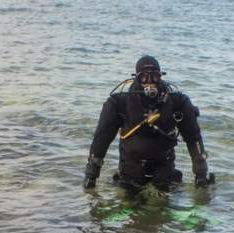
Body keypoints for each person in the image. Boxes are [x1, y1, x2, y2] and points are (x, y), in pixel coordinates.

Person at [83, 54, 214, 191]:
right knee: (131, 204)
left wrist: (201, 175)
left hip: (164, 171)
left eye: (154, 76)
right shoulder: (119, 103)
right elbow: (101, 139)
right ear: (137, 78)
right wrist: (91, 175)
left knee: (160, 205)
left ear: (160, 77)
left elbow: (193, 138)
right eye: (144, 76)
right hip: (130, 172)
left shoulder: (177, 103)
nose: (149, 81)